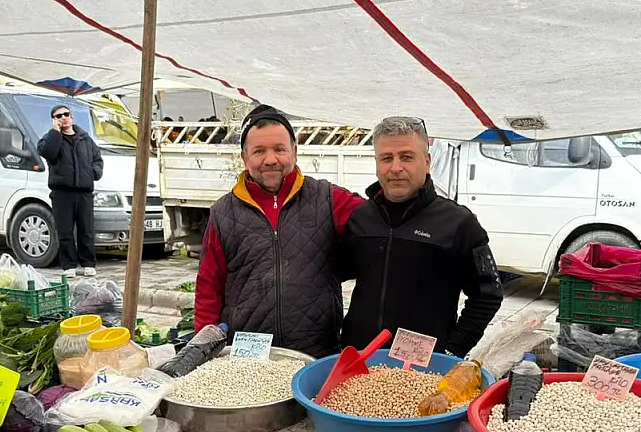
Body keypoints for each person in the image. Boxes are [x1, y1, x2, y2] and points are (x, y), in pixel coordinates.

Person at [193, 105, 363, 358]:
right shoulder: (223, 212)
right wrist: (202, 348)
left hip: (317, 350)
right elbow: (209, 286)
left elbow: (382, 221)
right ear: (245, 157)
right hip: (248, 355)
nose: (270, 160)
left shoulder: (328, 199)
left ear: (294, 152)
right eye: (259, 151)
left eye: (279, 149)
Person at [337, 116, 504, 357]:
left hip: (422, 366)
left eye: (406, 156)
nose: (396, 168)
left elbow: (487, 295)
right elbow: (331, 274)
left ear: (427, 162)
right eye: (386, 158)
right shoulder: (360, 218)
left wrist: (451, 350)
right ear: (376, 164)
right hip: (359, 357)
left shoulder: (458, 223)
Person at [38, 104, 103, 276]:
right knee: (65, 231)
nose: (63, 117)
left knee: (86, 230)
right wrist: (55, 132)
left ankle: (88, 263)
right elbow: (48, 153)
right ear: (54, 120)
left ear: (72, 117)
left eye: (66, 114)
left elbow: (97, 158)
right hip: (62, 193)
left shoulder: (85, 138)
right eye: (58, 116)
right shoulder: (50, 138)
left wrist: (94, 173)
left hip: (84, 192)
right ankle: (69, 266)